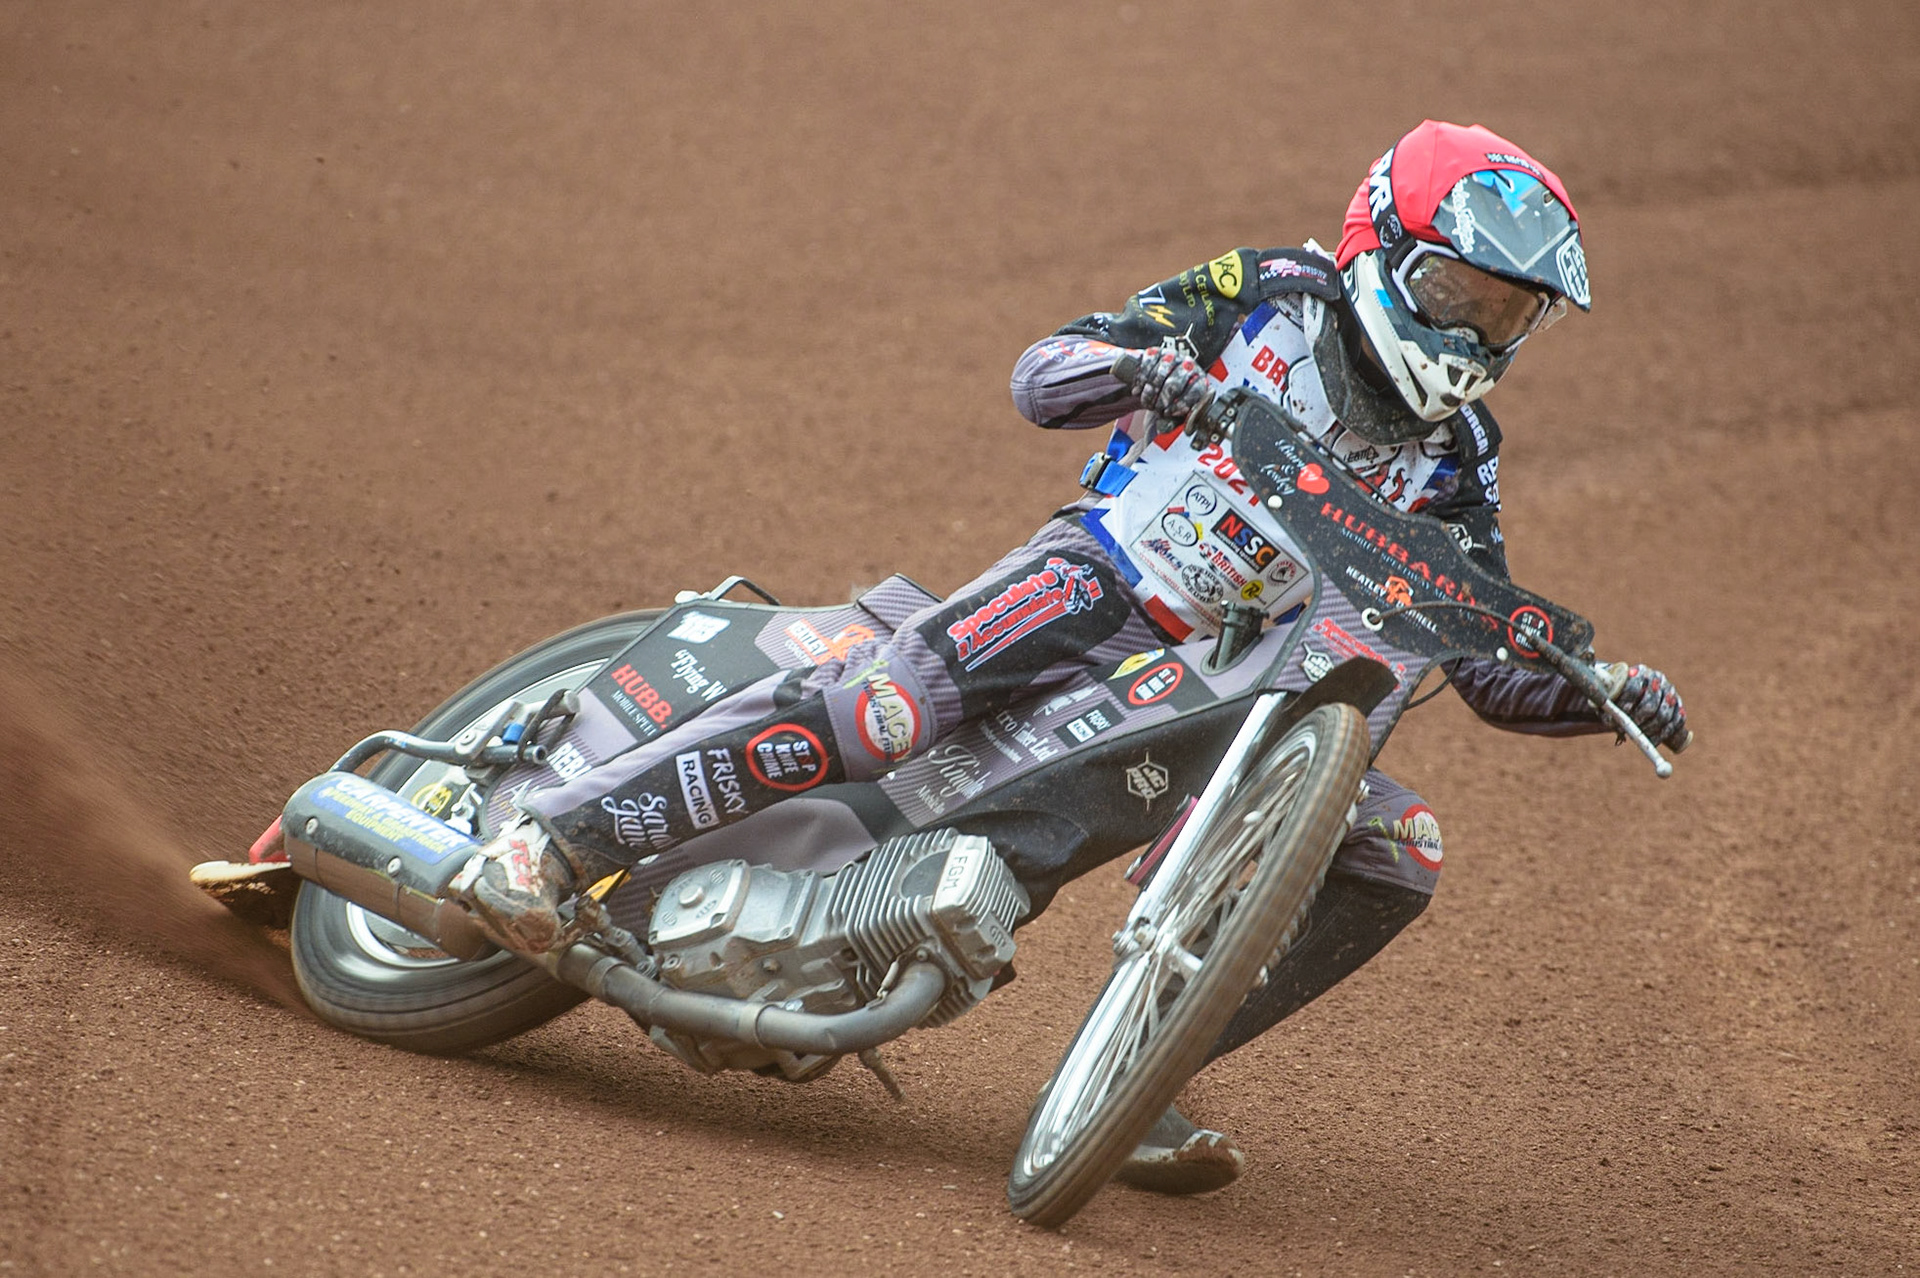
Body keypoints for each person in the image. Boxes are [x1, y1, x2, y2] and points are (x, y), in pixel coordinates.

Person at [453, 120, 1689, 1194]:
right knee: (883, 713)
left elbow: (1480, 653)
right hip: (1104, 578)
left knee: (1400, 852)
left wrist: (1599, 688)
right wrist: (1154, 374)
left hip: (1244, 690)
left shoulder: (1462, 457)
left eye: (1509, 312)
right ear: (1383, 247)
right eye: (1460, 293)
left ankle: (1143, 1075)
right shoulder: (1272, 293)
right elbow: (1046, 370)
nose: (1478, 331)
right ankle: (555, 839)